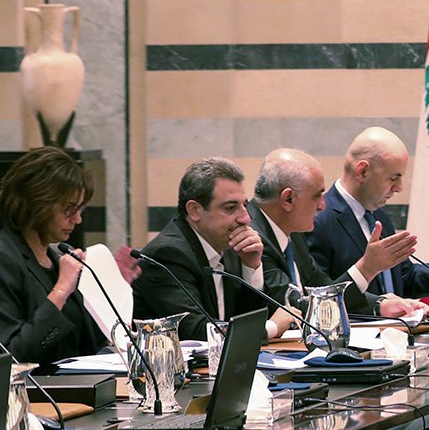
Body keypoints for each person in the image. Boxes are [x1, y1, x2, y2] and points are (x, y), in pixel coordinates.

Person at [252, 148, 421, 322]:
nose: (322, 205)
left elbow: (324, 289)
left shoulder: (292, 233)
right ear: (288, 199)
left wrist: (379, 305)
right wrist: (367, 268)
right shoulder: (254, 240)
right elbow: (298, 308)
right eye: (317, 196)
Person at [133, 157, 276, 340]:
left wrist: (251, 265)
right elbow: (196, 331)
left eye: (244, 205)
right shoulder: (166, 255)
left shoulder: (229, 246)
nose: (245, 218)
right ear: (194, 210)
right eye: (231, 207)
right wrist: (271, 327)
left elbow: (243, 318)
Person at [308, 127, 429, 299]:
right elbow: (319, 299)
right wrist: (368, 271)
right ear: (362, 171)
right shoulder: (316, 220)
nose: (399, 187)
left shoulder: (377, 215)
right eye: (393, 178)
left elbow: (404, 278)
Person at [0, 147, 108, 362]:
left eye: (80, 209)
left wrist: (108, 289)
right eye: (69, 209)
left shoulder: (55, 258)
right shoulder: (5, 258)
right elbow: (11, 354)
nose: (78, 219)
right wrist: (61, 290)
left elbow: (88, 343)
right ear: (38, 202)